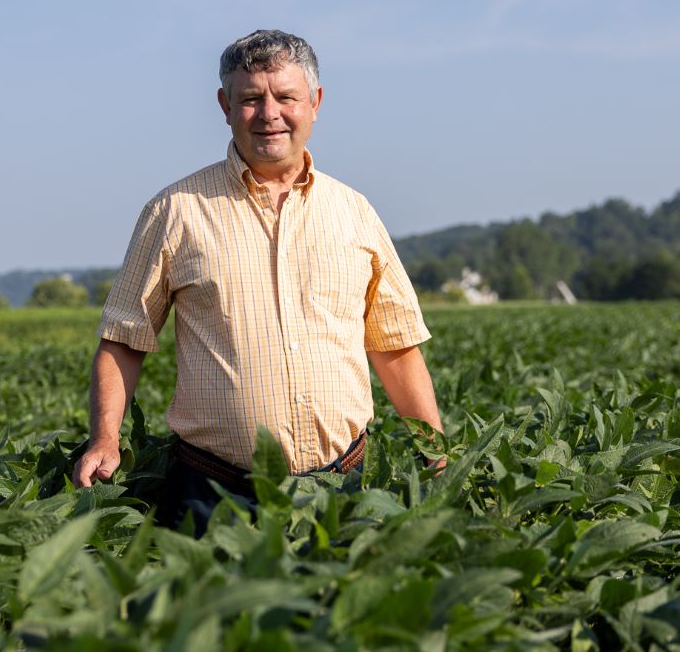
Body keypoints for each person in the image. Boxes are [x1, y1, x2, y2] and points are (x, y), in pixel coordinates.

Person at [72, 29, 444, 531]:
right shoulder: (176, 211)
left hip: (342, 490)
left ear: (315, 102)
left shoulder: (354, 212)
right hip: (216, 493)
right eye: (250, 99)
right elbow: (124, 339)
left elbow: (394, 346)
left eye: (285, 97)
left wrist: (436, 452)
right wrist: (105, 439)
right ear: (225, 106)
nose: (269, 113)